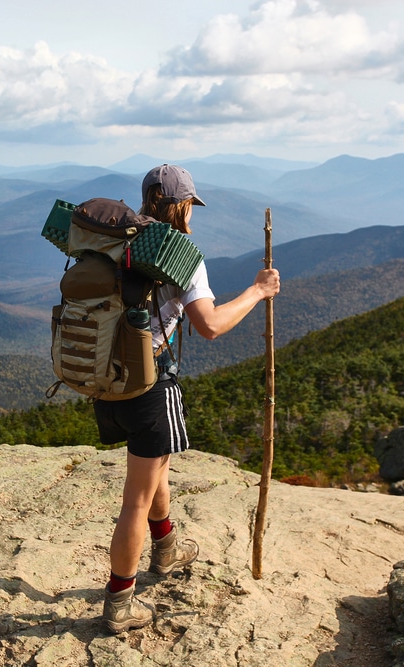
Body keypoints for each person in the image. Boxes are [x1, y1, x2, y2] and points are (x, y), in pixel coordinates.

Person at [94, 164, 281, 633]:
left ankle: (167, 547)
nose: (191, 216)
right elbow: (211, 325)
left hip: (105, 378)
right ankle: (119, 604)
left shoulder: (114, 242)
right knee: (136, 497)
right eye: (189, 206)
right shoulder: (180, 254)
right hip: (149, 386)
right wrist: (257, 291)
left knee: (155, 469)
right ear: (179, 205)